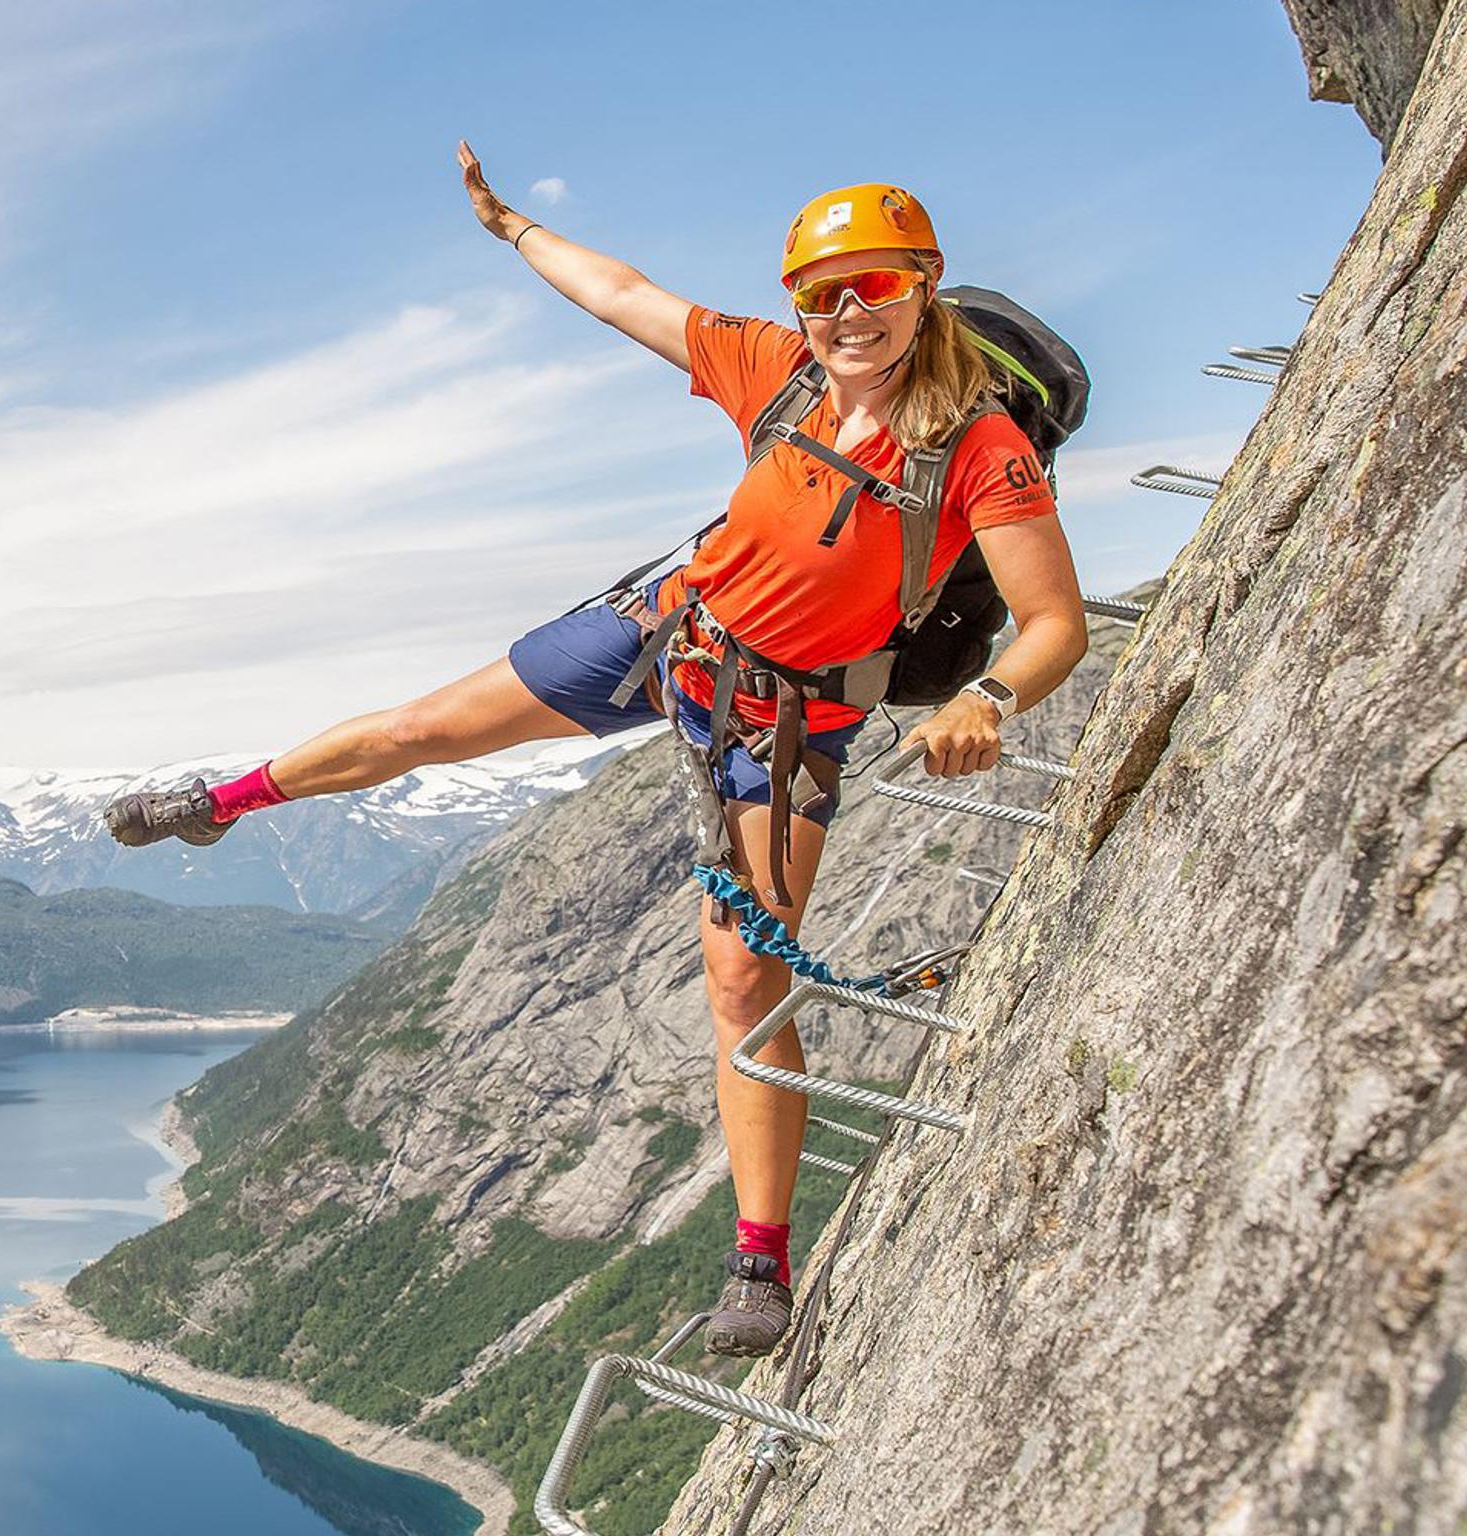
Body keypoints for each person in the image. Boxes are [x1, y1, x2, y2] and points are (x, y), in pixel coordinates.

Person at [106, 145, 1088, 1357]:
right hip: (665, 633)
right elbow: (624, 295)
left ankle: (759, 1263)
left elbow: (1053, 623)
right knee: (425, 728)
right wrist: (512, 229)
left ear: (922, 286)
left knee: (741, 981)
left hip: (789, 720)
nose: (844, 315)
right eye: (820, 292)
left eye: (872, 287)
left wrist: (986, 697)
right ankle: (223, 798)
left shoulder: (978, 445)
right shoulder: (775, 373)